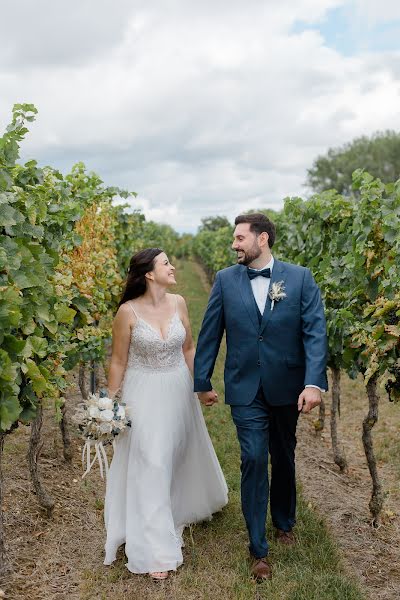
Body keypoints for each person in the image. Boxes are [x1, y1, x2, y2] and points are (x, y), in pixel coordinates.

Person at [194, 213, 328, 581]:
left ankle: (285, 521)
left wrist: (313, 383)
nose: (234, 244)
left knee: (283, 455)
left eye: (240, 238)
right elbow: (210, 334)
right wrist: (202, 380)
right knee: (253, 457)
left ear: (263, 238)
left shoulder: (299, 278)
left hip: (288, 385)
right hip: (244, 386)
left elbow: (315, 332)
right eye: (234, 239)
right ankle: (258, 548)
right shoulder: (224, 280)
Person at [103, 248, 228, 580]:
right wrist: (108, 405)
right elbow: (117, 362)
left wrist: (201, 386)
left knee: (173, 455)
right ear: (148, 273)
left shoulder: (180, 303)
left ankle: (173, 506)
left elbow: (188, 348)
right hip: (142, 392)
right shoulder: (127, 313)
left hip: (177, 388)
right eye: (165, 263)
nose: (173, 267)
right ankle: (156, 550)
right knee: (152, 460)